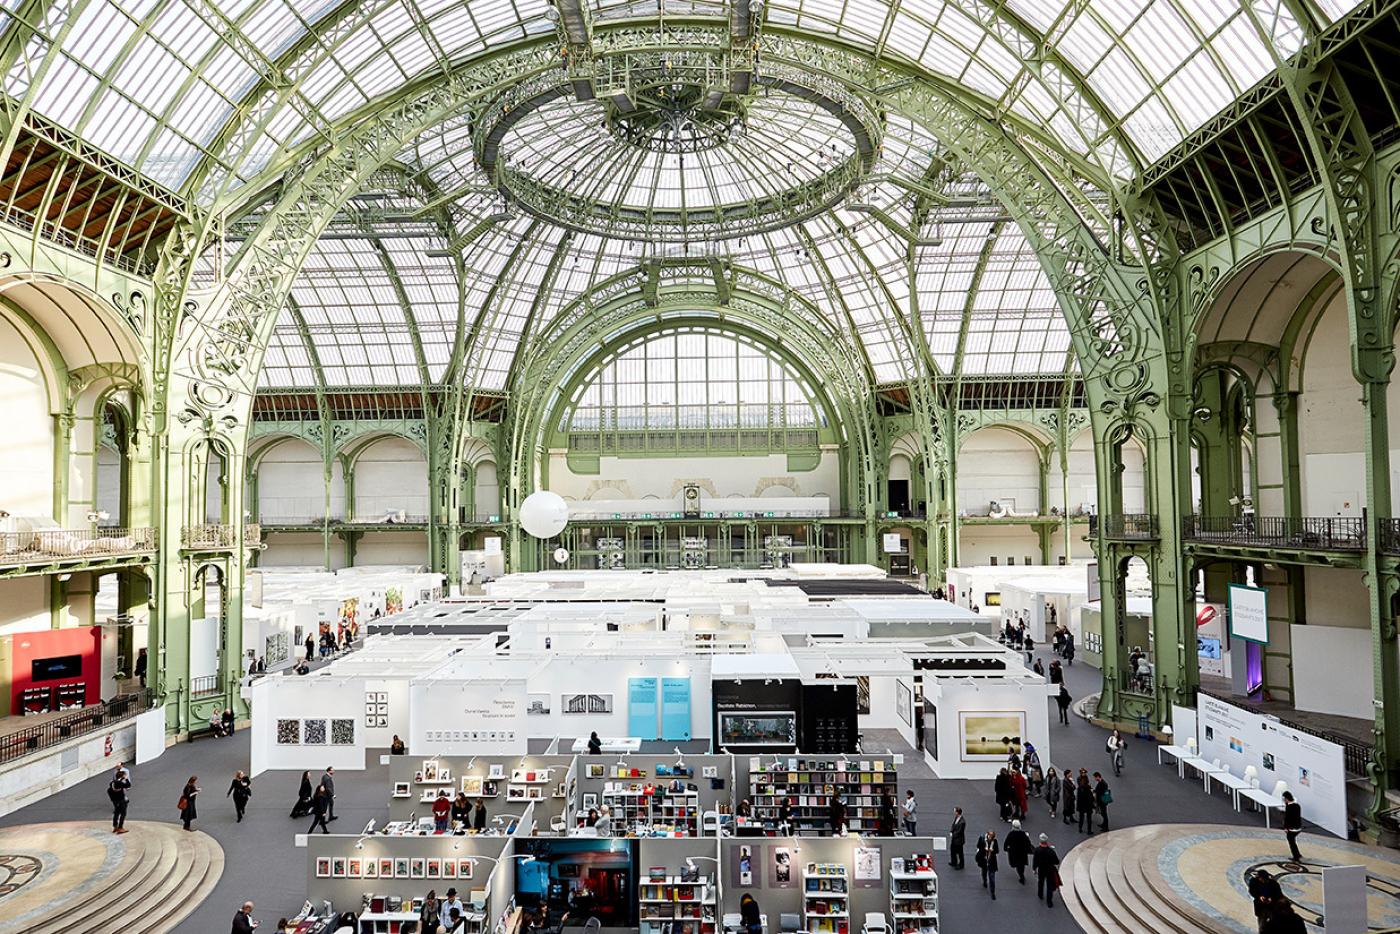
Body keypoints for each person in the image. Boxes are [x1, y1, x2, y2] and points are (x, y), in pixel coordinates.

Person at [1032, 834, 1061, 908]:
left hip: (1041, 869)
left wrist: (1034, 868)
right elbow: (1056, 861)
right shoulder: (1051, 851)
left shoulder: (1037, 850)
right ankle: (1049, 901)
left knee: (1040, 882)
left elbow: (1035, 860)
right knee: (1049, 886)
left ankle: (1040, 894)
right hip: (1050, 870)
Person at [1004, 820, 1033, 884]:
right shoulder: (1023, 834)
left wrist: (1006, 849)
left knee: (1017, 864)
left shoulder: (1011, 834)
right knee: (1022, 864)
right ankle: (1022, 874)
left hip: (1014, 852)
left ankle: (1021, 876)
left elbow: (1006, 843)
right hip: (1022, 852)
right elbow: (1028, 843)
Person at [975, 829, 999, 899]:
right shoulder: (982, 839)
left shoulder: (995, 841)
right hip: (984, 859)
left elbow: (997, 851)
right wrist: (984, 849)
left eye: (992, 838)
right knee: (984, 872)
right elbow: (978, 846)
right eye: (990, 837)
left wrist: (992, 850)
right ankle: (985, 881)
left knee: (992, 877)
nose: (990, 839)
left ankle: (993, 892)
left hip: (991, 861)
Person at [108, 764, 131, 834]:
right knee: (123, 813)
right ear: (122, 776)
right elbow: (128, 785)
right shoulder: (120, 783)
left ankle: (115, 826)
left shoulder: (112, 783)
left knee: (117, 813)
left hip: (115, 800)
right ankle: (120, 827)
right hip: (120, 800)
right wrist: (126, 779)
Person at [1281, 791, 1302, 861]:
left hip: (1292, 829)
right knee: (1293, 841)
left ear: (1287, 799)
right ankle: (1298, 854)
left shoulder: (1289, 807)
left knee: (1291, 842)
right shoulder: (1297, 806)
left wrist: (1286, 828)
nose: (1283, 800)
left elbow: (1287, 818)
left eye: (1284, 799)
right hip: (1298, 827)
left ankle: (1296, 857)